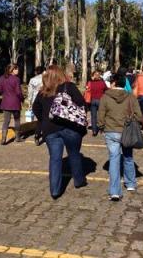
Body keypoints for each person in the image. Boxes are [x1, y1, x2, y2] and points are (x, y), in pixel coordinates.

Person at [32, 65, 87, 199]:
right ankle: (79, 181)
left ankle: (55, 190)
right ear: (61, 75)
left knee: (55, 159)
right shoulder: (69, 87)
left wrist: (45, 119)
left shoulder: (42, 92)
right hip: (71, 128)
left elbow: (35, 109)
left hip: (50, 130)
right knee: (74, 154)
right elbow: (82, 103)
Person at [98, 73, 142, 201]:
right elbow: (139, 116)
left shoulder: (105, 97)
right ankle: (130, 183)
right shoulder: (131, 97)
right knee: (128, 156)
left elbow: (101, 115)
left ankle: (114, 191)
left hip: (111, 131)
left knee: (114, 159)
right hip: (127, 130)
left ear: (113, 83)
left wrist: (101, 126)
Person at [0, 64, 24, 144]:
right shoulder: (16, 79)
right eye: (16, 69)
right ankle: (17, 137)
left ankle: (3, 139)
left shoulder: (2, 78)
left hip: (5, 102)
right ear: (12, 70)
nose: (18, 71)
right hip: (15, 102)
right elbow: (18, 92)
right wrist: (22, 99)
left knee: (6, 121)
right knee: (17, 120)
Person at [88, 71, 107, 136]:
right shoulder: (102, 83)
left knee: (93, 116)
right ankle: (102, 129)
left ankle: (94, 131)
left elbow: (87, 90)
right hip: (100, 100)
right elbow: (106, 90)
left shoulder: (90, 83)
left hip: (92, 100)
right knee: (102, 115)